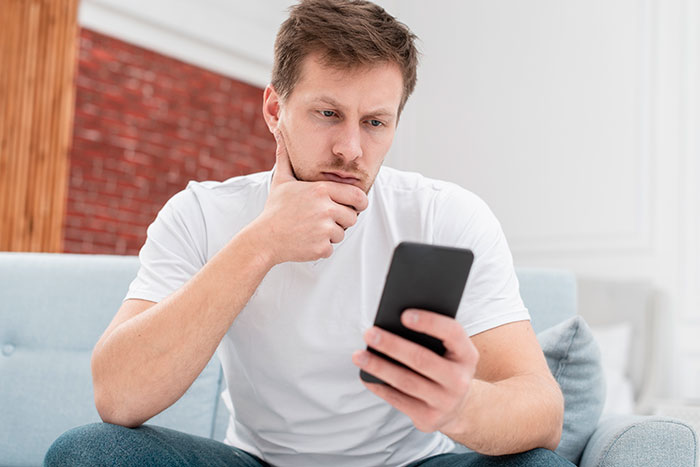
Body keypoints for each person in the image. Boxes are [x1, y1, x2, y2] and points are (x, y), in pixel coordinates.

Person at [45, 1, 572, 466]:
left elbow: (542, 413)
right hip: (259, 462)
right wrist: (263, 243)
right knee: (89, 453)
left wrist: (462, 407)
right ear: (276, 110)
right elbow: (117, 396)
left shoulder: (447, 216)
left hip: (409, 465)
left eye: (374, 123)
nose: (351, 149)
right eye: (327, 113)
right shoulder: (200, 214)